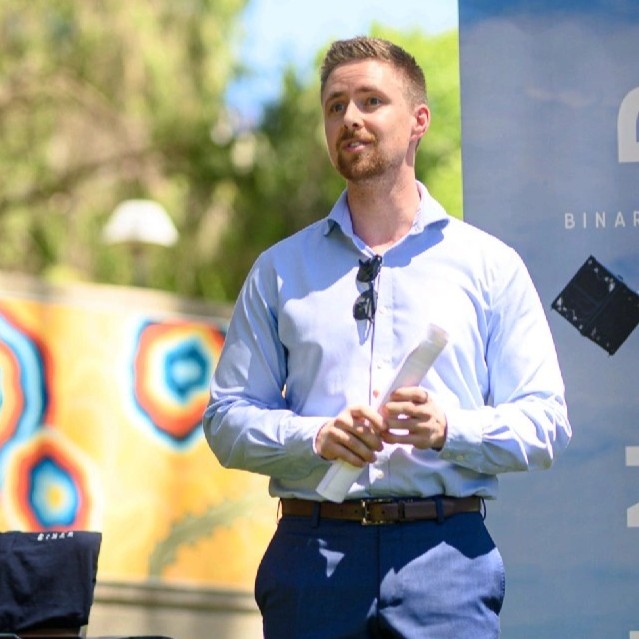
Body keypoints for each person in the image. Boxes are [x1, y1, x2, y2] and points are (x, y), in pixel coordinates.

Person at [203, 36, 571, 639]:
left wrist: (449, 429)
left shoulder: (490, 266)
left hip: (445, 558)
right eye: (336, 106)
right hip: (312, 556)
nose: (350, 117)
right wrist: (315, 437)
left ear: (419, 120)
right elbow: (225, 420)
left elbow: (546, 422)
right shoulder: (278, 270)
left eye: (371, 101)